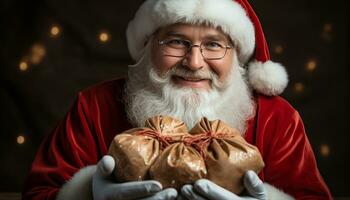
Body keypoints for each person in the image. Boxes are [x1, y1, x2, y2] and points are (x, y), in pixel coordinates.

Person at [23, 0, 332, 199]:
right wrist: (87, 195)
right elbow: (37, 194)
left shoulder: (278, 119)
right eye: (175, 42)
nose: (195, 62)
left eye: (213, 45)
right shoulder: (94, 107)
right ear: (147, 47)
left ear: (236, 55)